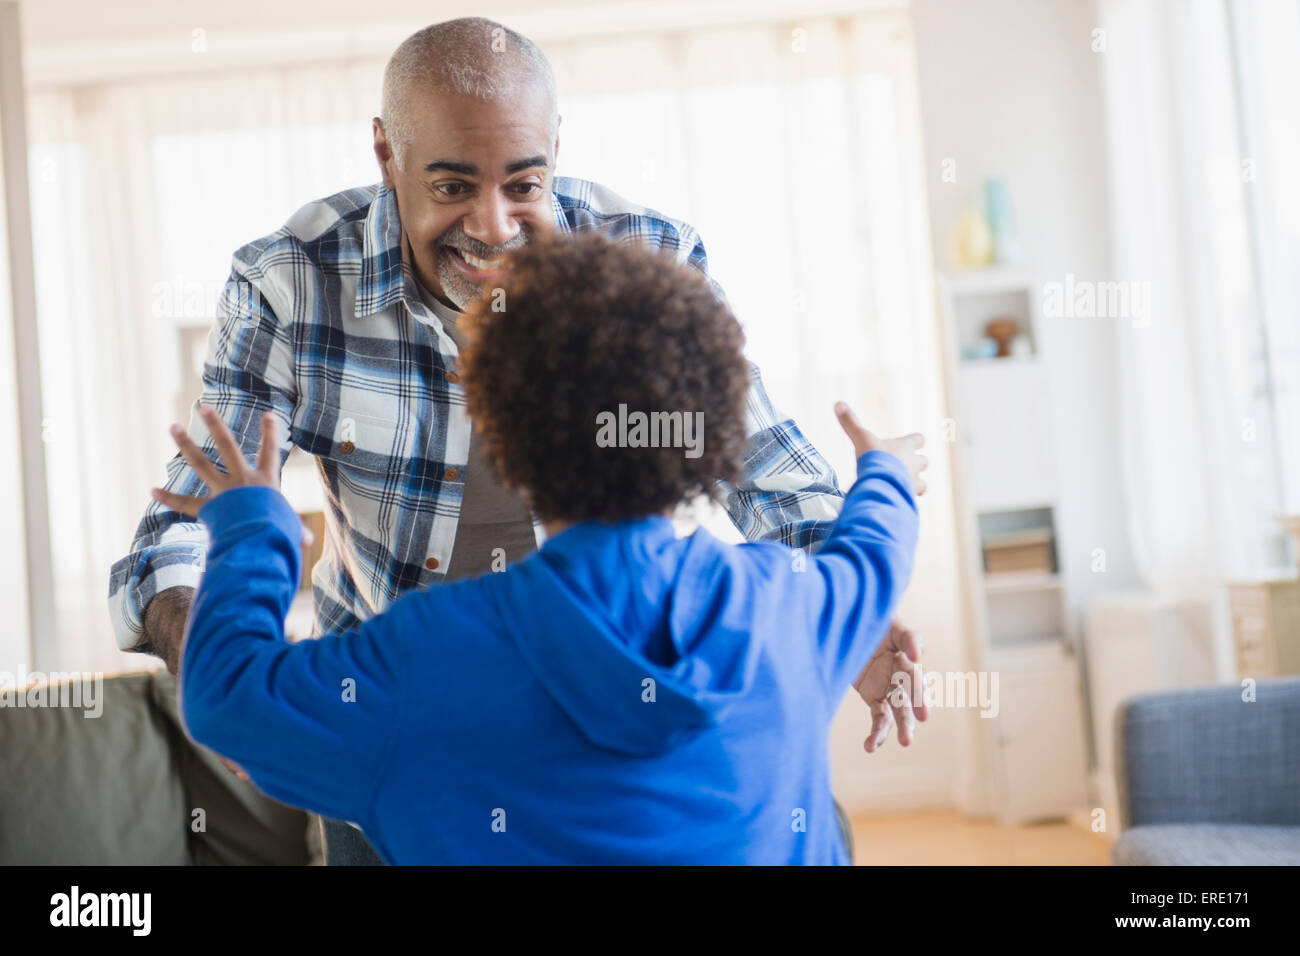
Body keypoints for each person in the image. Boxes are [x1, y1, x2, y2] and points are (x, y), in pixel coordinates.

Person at [107, 16, 921, 864]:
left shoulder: (647, 259)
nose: (493, 227)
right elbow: (177, 529)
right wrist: (883, 491)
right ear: (387, 156)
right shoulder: (288, 283)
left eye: (523, 184)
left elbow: (769, 469)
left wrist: (257, 543)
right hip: (399, 704)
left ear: (557, 153)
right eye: (454, 186)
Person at [157, 232, 927, 865]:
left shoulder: (421, 658)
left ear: (498, 434)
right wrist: (885, 469)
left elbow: (226, 700)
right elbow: (876, 550)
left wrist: (256, 525)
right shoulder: (795, 602)